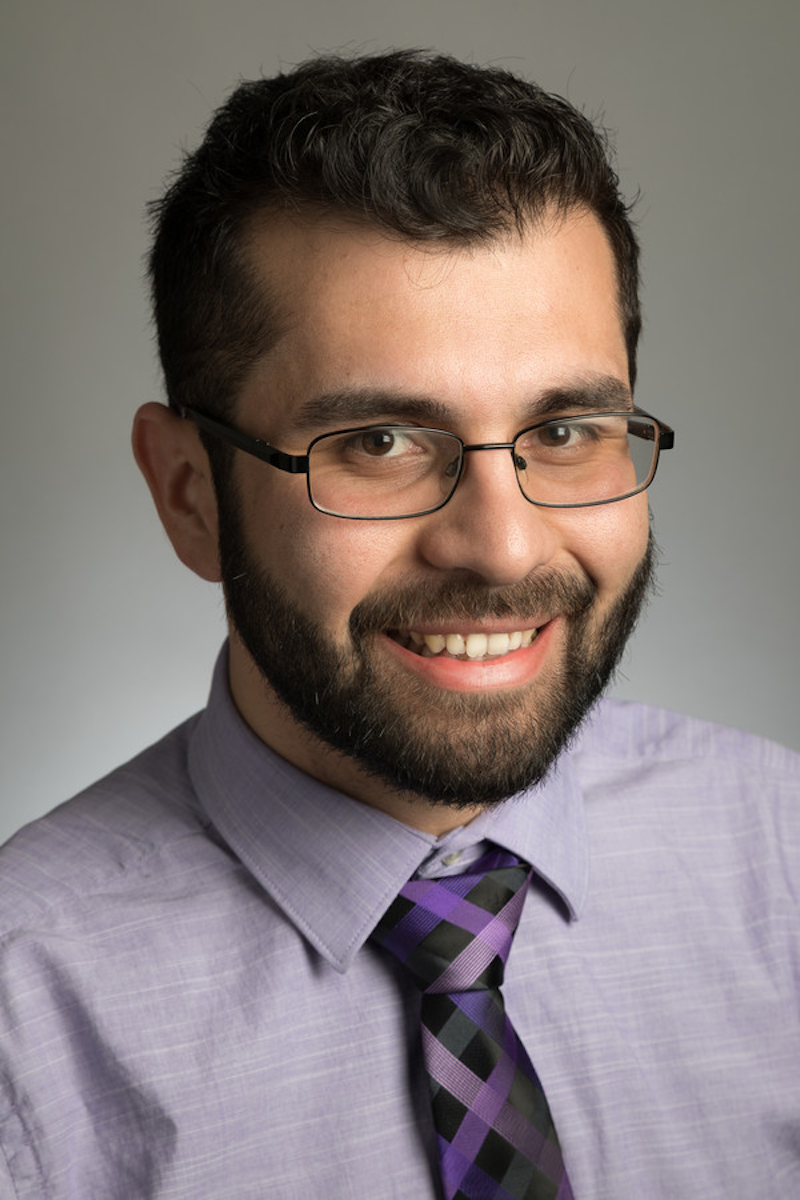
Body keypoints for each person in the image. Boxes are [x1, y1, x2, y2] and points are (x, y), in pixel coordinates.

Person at [0, 50, 797, 1200]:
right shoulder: (28, 1033)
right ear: (189, 493)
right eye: (376, 443)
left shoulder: (776, 864)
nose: (503, 547)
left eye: (567, 429)